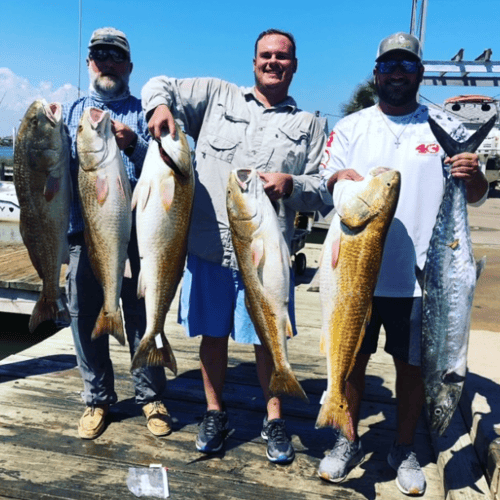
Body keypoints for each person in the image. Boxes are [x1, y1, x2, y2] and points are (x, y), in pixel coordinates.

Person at [142, 28, 330, 464]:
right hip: (209, 247)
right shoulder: (215, 95)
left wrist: (293, 183)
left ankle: (275, 418)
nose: (273, 62)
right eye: (265, 55)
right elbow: (158, 83)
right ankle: (214, 411)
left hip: (268, 259)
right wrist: (161, 106)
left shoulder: (310, 125)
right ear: (253, 62)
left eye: (282, 57)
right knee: (213, 335)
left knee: (268, 338)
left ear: (294, 66)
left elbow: (322, 189)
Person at [317, 32, 487, 496]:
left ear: (419, 73)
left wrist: (473, 178)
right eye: (389, 65)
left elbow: (476, 194)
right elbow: (329, 179)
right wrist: (336, 177)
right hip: (356, 274)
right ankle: (346, 438)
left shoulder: (444, 126)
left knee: (413, 368)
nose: (397, 72)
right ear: (376, 74)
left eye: (406, 65)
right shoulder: (351, 127)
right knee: (351, 362)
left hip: (423, 282)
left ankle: (406, 446)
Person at [63, 27, 171, 440]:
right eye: (99, 54)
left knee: (144, 316)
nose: (107, 61)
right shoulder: (71, 112)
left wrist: (135, 146)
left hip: (139, 237)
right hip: (84, 234)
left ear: (128, 65)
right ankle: (97, 398)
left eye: (115, 55)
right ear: (89, 62)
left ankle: (151, 396)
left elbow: (167, 169)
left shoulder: (146, 114)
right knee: (84, 316)